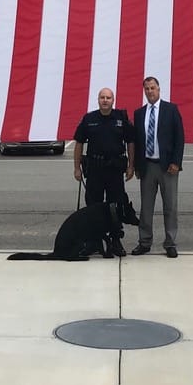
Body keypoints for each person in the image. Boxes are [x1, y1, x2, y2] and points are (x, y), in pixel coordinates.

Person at [73, 87, 136, 257]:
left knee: (115, 207)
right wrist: (76, 167)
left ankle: (115, 241)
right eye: (102, 97)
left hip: (115, 169)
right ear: (98, 100)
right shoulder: (89, 119)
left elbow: (130, 142)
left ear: (113, 100)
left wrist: (131, 166)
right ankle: (93, 242)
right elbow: (79, 143)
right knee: (94, 207)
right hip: (95, 168)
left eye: (108, 97)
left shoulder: (121, 118)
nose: (105, 100)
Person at [132, 76, 185, 258]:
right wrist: (137, 166)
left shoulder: (171, 110)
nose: (149, 91)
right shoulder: (139, 114)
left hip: (167, 167)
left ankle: (170, 243)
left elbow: (179, 138)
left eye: (152, 88)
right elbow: (138, 142)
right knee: (146, 207)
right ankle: (144, 242)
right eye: (146, 89)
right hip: (147, 166)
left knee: (170, 206)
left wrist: (176, 163)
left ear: (159, 89)